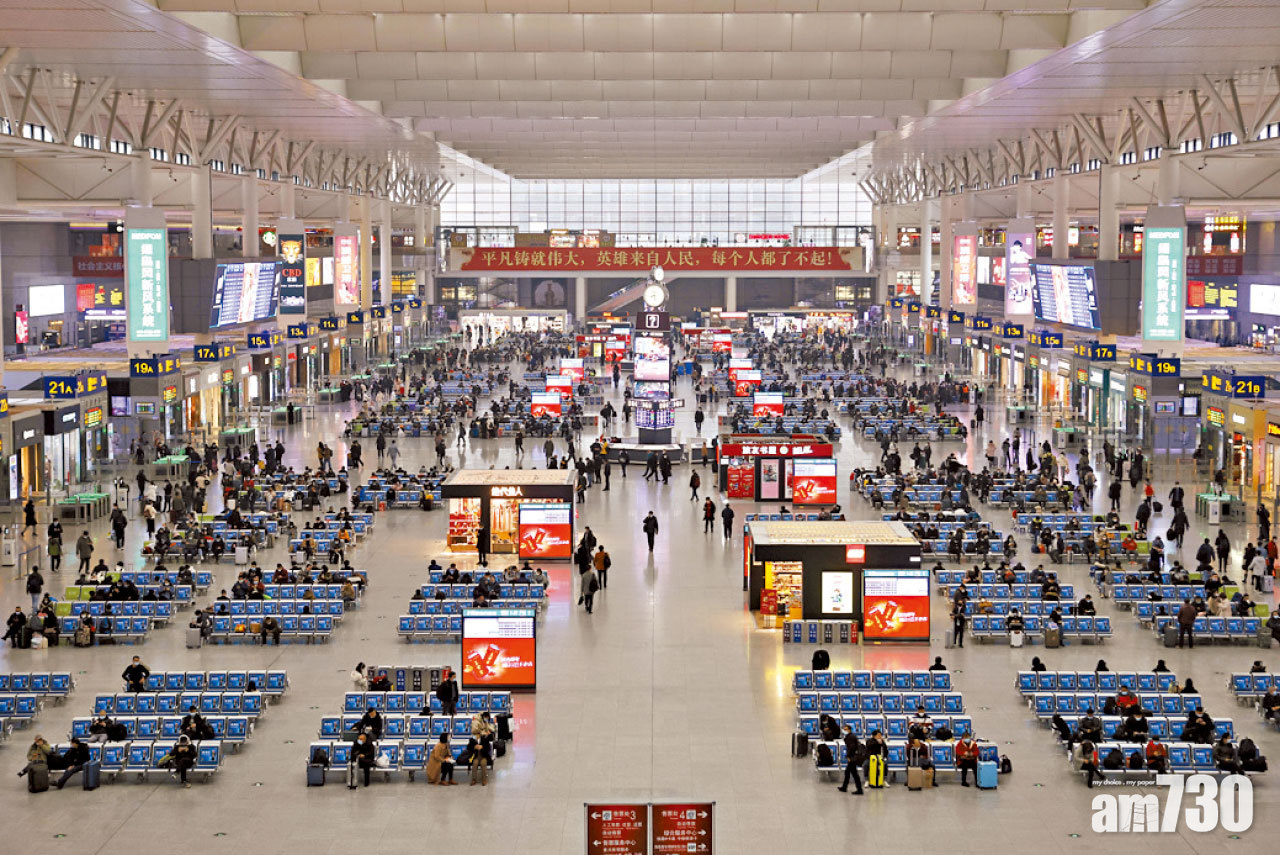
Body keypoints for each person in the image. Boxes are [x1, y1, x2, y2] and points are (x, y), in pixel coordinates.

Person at [836, 724, 864, 794]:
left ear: (849, 730)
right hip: (853, 757)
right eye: (844, 729)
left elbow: (851, 748)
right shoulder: (851, 736)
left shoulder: (850, 737)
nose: (844, 731)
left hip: (853, 757)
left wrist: (848, 756)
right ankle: (844, 787)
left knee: (854, 774)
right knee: (848, 772)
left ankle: (859, 789)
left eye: (846, 729)